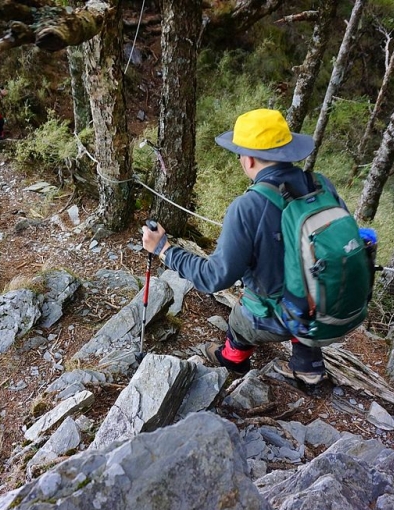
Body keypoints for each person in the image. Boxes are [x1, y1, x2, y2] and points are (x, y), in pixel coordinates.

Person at [142, 108, 346, 385]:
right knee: (302, 281)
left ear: (248, 160)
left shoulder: (249, 206)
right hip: (338, 304)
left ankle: (232, 358)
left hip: (286, 316)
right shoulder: (321, 184)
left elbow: (214, 278)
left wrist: (164, 249)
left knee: (241, 313)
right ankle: (308, 365)